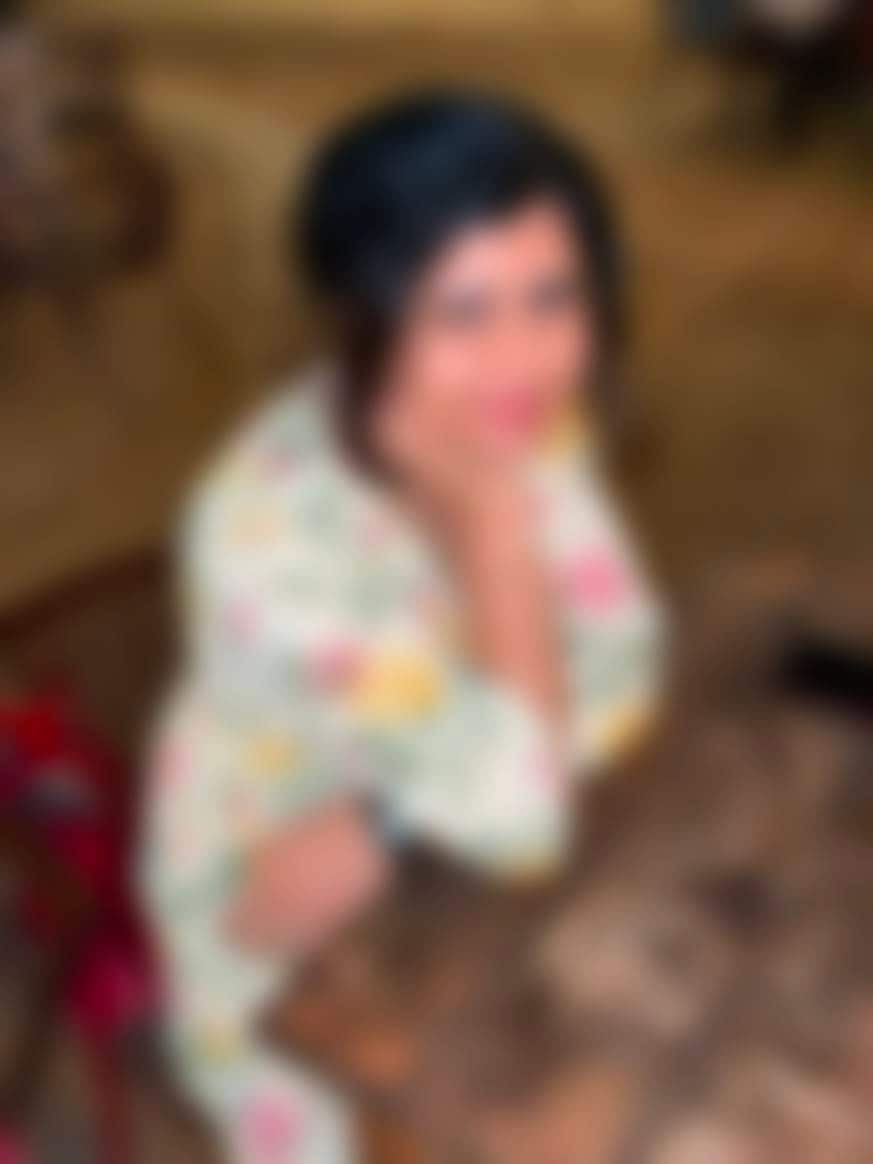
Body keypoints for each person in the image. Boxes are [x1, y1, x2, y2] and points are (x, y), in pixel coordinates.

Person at [137, 89, 665, 1163]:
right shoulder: (267, 539)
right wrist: (499, 542)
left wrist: (404, 815)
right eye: (462, 312)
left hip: (423, 850)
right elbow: (524, 815)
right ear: (361, 315)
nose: (522, 358)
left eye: (552, 298)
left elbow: (623, 659)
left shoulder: (504, 416)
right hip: (273, 933)